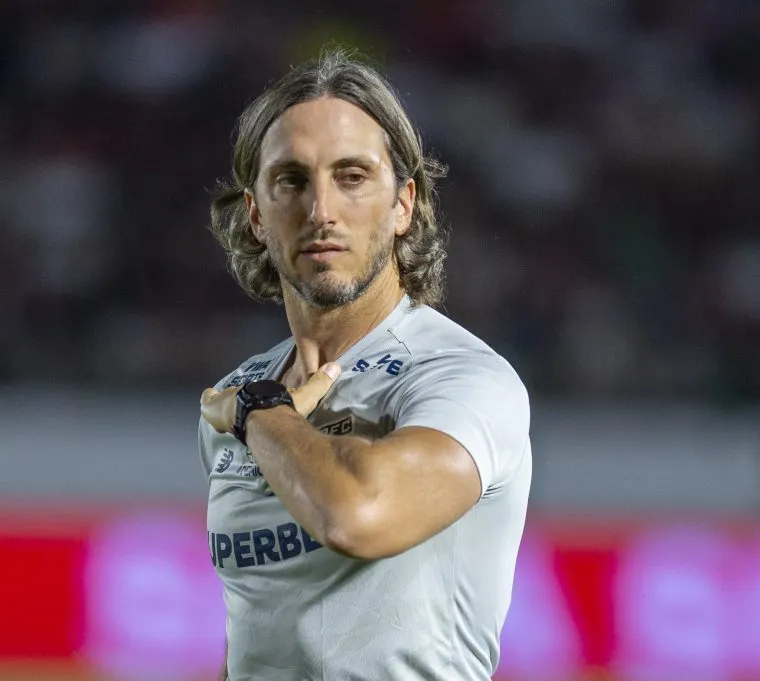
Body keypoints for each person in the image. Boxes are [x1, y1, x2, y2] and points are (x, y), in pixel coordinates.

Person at [197, 49, 532, 681]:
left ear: (404, 203)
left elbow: (357, 516)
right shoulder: (242, 395)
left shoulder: (461, 378)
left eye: (351, 177)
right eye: (291, 181)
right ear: (256, 216)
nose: (321, 210)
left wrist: (259, 415)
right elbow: (262, 625)